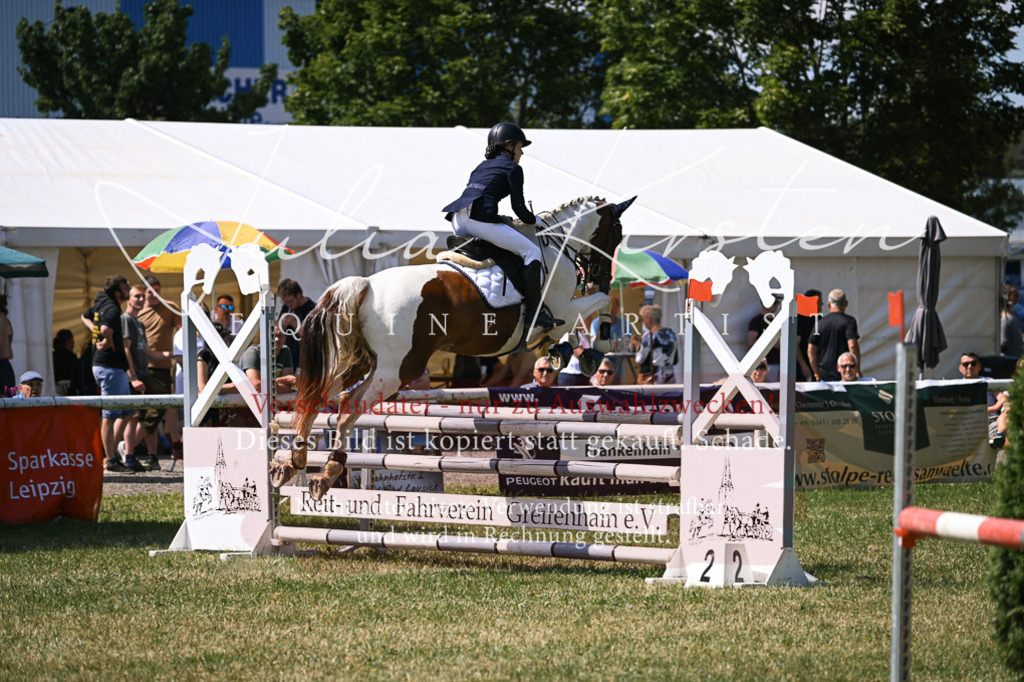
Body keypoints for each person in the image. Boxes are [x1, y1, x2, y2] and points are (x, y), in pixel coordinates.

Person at [442, 121, 561, 333]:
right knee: (531, 251)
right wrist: (536, 220)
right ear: (509, 145)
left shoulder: (480, 166)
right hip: (478, 220)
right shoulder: (514, 168)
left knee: (502, 249)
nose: (522, 152)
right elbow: (519, 209)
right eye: (519, 147)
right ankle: (535, 314)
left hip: (457, 221)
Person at [81, 275, 144, 473]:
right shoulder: (112, 307)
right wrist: (104, 338)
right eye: (126, 287)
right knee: (110, 414)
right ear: (118, 292)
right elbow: (106, 328)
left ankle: (109, 454)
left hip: (111, 367)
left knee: (126, 411)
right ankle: (109, 459)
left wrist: (95, 331)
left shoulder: (101, 302)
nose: (128, 290)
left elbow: (85, 316)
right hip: (108, 367)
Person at [137, 275, 183, 461]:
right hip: (144, 368)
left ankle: (153, 454)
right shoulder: (138, 311)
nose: (154, 294)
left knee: (162, 408)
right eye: (150, 291)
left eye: (157, 290)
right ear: (143, 292)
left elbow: (182, 330)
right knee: (153, 410)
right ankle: (129, 446)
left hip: (164, 367)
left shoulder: (171, 307)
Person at [121, 284, 159, 470]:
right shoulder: (126, 319)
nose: (141, 299)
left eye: (142, 296)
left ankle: (139, 452)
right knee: (134, 417)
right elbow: (125, 348)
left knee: (151, 412)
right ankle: (128, 453)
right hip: (135, 377)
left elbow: (144, 350)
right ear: (128, 299)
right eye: (136, 296)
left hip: (145, 374)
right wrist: (133, 376)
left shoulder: (139, 322)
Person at [808, 289, 860, 382]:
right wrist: (856, 369)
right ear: (846, 303)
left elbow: (811, 351)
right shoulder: (849, 321)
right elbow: (852, 346)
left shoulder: (820, 323)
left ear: (828, 304)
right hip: (844, 374)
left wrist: (816, 373)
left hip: (824, 376)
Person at [959, 351, 1004, 441]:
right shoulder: (956, 386)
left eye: (973, 363)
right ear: (960, 368)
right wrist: (994, 408)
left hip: (991, 422)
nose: (970, 367)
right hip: (967, 425)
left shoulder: (989, 381)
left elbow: (1001, 397)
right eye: (966, 364)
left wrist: (1004, 404)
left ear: (979, 366)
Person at [632, 304, 678, 384]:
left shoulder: (648, 336)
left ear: (649, 319)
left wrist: (637, 345)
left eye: (643, 320)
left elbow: (639, 360)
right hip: (669, 378)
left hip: (654, 379)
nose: (644, 323)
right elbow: (675, 360)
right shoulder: (671, 333)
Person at [278, 279, 315, 366]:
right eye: (285, 302)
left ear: (298, 295)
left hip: (303, 361)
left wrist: (295, 323)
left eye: (290, 301)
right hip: (287, 360)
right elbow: (278, 332)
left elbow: (313, 338)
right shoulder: (286, 308)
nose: (288, 305)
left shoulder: (312, 309)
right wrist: (282, 325)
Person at [747, 294, 782, 382]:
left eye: (777, 302)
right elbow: (751, 342)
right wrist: (772, 344)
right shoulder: (757, 321)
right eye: (774, 302)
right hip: (763, 366)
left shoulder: (777, 322)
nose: (776, 305)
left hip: (778, 364)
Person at [796, 289, 821, 381]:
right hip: (804, 365)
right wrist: (803, 365)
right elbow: (796, 345)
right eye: (819, 302)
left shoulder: (820, 319)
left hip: (818, 365)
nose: (821, 304)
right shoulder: (800, 320)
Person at [52, 328, 77, 395]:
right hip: (68, 389)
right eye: (72, 339)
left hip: (55, 389)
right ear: (69, 341)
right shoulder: (72, 356)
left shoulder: (52, 355)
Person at [1000, 286, 1022, 359]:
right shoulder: (1008, 318)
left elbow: (1003, 342)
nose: (1018, 297)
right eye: (1016, 295)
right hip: (1010, 359)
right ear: (1007, 296)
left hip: (1010, 358)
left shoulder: (1011, 315)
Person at [0, 294, 14, 396]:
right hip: (5, 369)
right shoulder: (4, 321)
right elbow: (10, 353)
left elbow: (3, 352)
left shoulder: (1, 322)